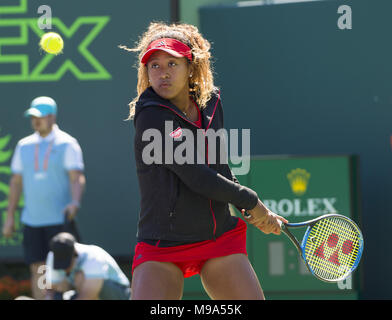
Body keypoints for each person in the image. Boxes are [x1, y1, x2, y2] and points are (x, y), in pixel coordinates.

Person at [121, 22, 288, 300]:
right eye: (155, 66)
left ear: (191, 67)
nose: (163, 73)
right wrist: (251, 201)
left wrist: (253, 210)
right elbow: (196, 175)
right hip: (163, 243)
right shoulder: (150, 115)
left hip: (217, 238)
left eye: (172, 64)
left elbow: (218, 167)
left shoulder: (210, 103)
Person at [1, 96, 86, 299]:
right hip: (33, 221)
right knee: (39, 269)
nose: (35, 121)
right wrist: (10, 216)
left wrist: (75, 202)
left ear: (51, 117)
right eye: (32, 117)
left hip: (59, 221)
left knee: (63, 269)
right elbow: (16, 182)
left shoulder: (67, 143)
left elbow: (77, 178)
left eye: (39, 117)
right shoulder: (24, 145)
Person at [43, 232, 131, 300]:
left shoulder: (93, 257)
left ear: (75, 254)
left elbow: (88, 295)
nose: (65, 269)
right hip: (86, 292)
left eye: (66, 262)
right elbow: (50, 289)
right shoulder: (52, 256)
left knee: (80, 277)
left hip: (120, 294)